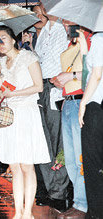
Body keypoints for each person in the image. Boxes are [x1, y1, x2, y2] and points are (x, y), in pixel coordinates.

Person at [0, 26, 50, 219]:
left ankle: (28, 212)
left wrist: (14, 93)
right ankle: (18, 212)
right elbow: (1, 93)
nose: (0, 44)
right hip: (10, 116)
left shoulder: (28, 57)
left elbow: (39, 86)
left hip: (26, 112)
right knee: (15, 165)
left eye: (3, 38)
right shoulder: (0, 62)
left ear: (12, 39)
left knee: (27, 165)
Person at [52, 22, 92, 219]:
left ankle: (82, 205)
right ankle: (79, 201)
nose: (65, 25)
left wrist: (71, 75)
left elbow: (94, 72)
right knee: (69, 159)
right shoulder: (71, 45)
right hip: (67, 101)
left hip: (81, 100)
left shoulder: (91, 40)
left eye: (68, 21)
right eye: (63, 22)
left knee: (80, 157)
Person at [34, 4, 70, 212]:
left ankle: (60, 191)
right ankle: (50, 189)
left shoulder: (64, 30)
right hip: (43, 89)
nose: (38, 11)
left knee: (59, 142)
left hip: (58, 90)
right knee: (44, 140)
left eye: (41, 6)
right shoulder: (43, 32)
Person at [78, 32, 103, 219]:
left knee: (93, 164)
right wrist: (84, 51)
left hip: (96, 105)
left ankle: (96, 213)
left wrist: (83, 103)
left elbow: (96, 74)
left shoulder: (99, 38)